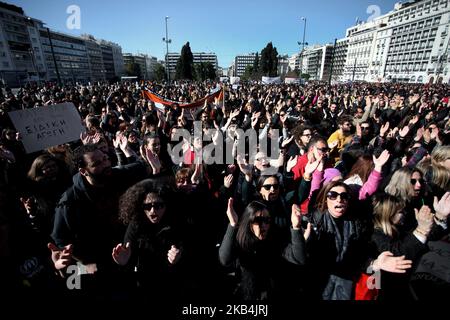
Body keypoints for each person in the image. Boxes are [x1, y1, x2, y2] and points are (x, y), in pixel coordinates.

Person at [49, 144, 148, 298]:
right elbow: (60, 238)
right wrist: (85, 263)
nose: (105, 164)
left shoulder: (117, 175)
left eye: (105, 159)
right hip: (101, 268)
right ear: (83, 171)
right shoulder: (69, 201)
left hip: (130, 254)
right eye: (97, 164)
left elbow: (144, 168)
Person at [305, 181, 413, 300]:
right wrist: (302, 241)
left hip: (345, 286)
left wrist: (375, 264)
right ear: (325, 199)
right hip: (318, 285)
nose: (339, 199)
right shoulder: (313, 223)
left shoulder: (356, 225)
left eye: (344, 196)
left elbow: (359, 260)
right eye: (333, 195)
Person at [219, 199, 307, 301]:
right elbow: (224, 259)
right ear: (249, 222)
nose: (264, 225)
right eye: (258, 220)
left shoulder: (275, 237)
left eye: (267, 220)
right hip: (247, 295)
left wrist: (296, 228)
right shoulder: (241, 239)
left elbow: (299, 259)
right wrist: (232, 225)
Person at [112, 179, 186, 300]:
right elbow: (128, 262)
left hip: (172, 284)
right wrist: (123, 263)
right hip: (144, 284)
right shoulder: (135, 225)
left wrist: (177, 259)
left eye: (158, 205)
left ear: (167, 204)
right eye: (147, 206)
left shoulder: (178, 224)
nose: (152, 211)